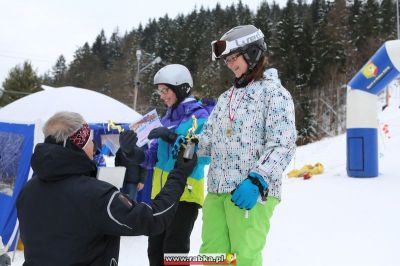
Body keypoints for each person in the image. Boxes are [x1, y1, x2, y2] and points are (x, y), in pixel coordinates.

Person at [16, 111, 197, 266]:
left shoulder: (27, 191)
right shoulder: (96, 195)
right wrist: (180, 173)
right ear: (78, 144)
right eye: (90, 141)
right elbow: (152, 219)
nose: (94, 146)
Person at [198, 25, 297, 265]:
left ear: (253, 53)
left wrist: (258, 179)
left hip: (250, 191)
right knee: (212, 256)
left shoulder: (275, 94)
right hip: (218, 191)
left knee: (243, 258)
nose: (230, 64)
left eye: (234, 58)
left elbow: (283, 145)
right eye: (227, 60)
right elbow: (208, 139)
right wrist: (189, 146)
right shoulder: (225, 98)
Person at [132, 64, 210, 266]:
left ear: (181, 88)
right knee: (155, 252)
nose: (162, 95)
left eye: (166, 90)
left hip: (185, 194)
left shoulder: (200, 117)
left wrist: (172, 137)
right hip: (161, 196)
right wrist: (132, 152)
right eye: (160, 91)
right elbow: (151, 159)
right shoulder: (165, 119)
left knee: (174, 252)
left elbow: (200, 155)